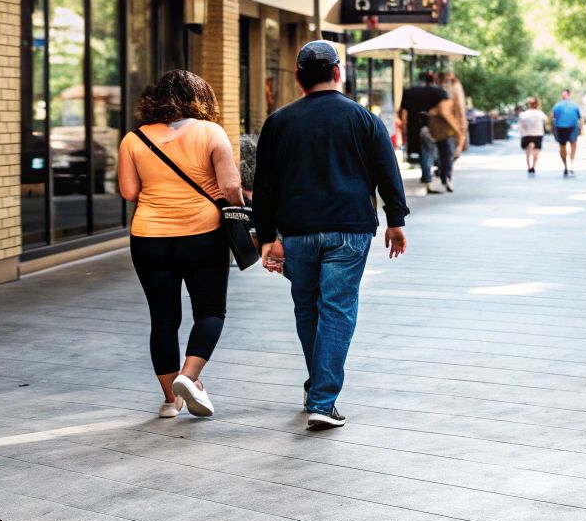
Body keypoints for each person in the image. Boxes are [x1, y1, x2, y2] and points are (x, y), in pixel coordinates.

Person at [253, 41, 410, 430]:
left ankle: (316, 392)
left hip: (298, 232)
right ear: (338, 73)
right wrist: (396, 220)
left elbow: (265, 185)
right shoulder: (364, 119)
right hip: (349, 230)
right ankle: (323, 399)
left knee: (308, 309)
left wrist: (267, 236)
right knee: (337, 310)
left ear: (297, 77)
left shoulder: (279, 122)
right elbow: (386, 171)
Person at [117, 69, 241, 419]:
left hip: (149, 239)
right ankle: (189, 377)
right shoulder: (211, 132)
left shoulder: (133, 139)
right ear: (200, 98)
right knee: (210, 311)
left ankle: (171, 400)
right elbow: (230, 189)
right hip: (203, 235)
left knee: (163, 318)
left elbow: (129, 192)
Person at [396, 70, 453, 193]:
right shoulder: (440, 93)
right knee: (443, 153)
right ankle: (444, 177)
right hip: (438, 128)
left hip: (418, 127)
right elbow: (446, 111)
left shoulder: (410, 92)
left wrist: (404, 127)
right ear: (433, 80)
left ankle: (427, 180)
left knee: (426, 153)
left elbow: (403, 113)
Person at [551, 88, 582, 177]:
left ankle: (571, 163)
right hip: (561, 128)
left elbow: (580, 118)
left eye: (564, 94)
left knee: (573, 145)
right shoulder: (558, 106)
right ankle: (566, 166)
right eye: (563, 94)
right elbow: (553, 118)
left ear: (568, 94)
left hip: (572, 128)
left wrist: (581, 129)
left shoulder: (574, 105)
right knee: (563, 147)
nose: (563, 95)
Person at [442, 70, 470, 161]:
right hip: (449, 123)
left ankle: (446, 168)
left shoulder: (454, 87)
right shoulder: (454, 87)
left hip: (451, 122)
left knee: (451, 148)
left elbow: (460, 107)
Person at [517, 96, 548, 175]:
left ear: (528, 105)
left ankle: (529, 167)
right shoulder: (541, 114)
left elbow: (521, 125)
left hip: (527, 134)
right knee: (536, 152)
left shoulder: (523, 114)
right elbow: (545, 122)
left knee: (527, 153)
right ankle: (533, 166)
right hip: (538, 134)